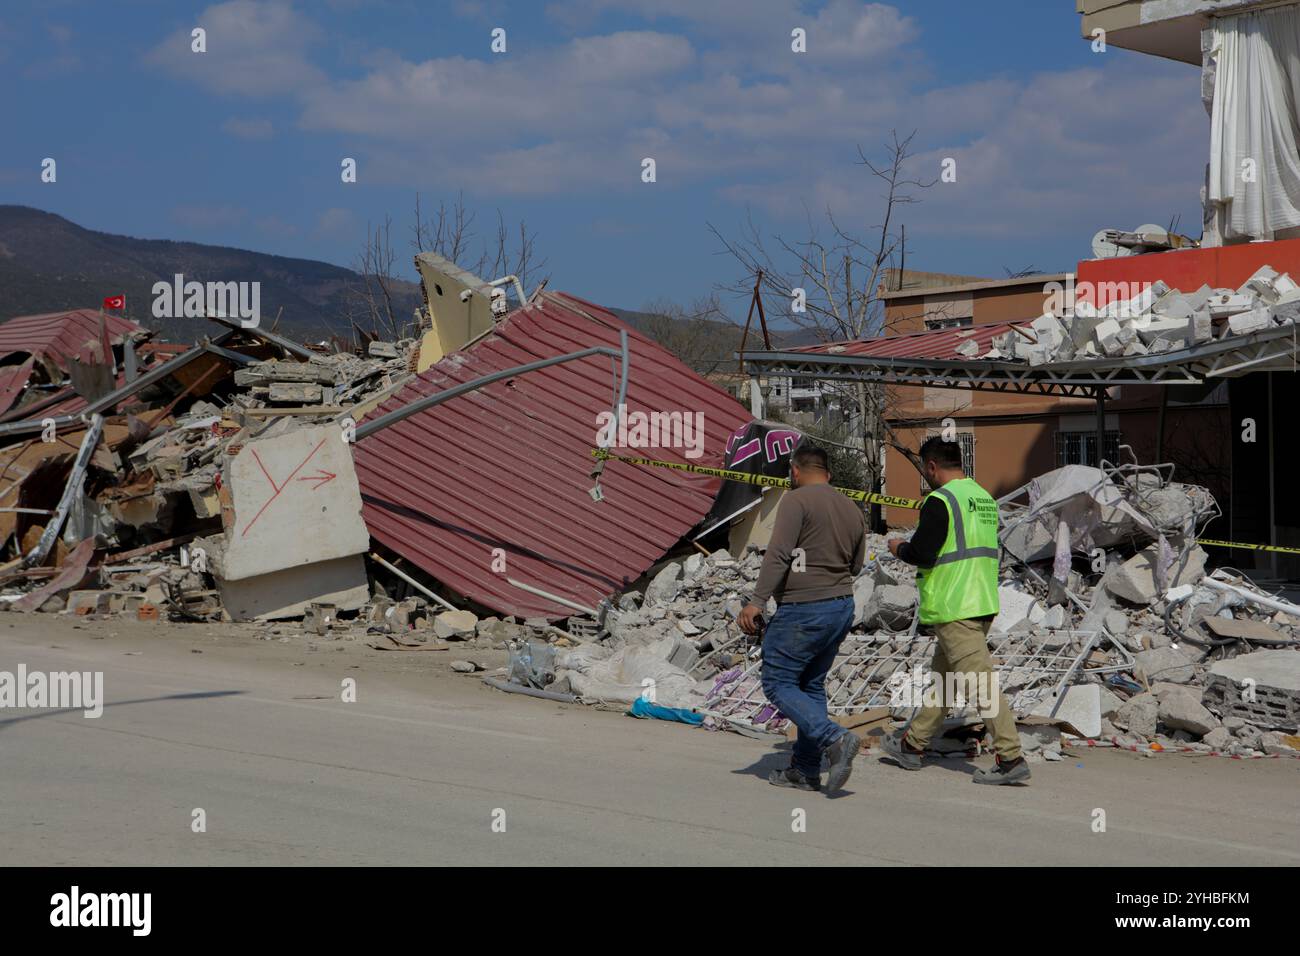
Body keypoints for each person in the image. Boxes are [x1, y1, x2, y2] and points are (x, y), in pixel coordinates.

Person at [881, 436, 1029, 785]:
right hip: (981, 602)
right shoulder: (982, 497)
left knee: (980, 685)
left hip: (954, 606)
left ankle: (1010, 757)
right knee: (945, 683)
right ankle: (912, 745)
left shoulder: (940, 501)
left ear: (932, 466)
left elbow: (924, 553)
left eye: (924, 469)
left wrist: (899, 547)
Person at [738, 445, 867, 794]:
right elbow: (856, 565)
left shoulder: (795, 501)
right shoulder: (851, 507)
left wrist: (757, 602)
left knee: (777, 682)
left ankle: (835, 738)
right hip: (841, 606)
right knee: (810, 686)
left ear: (795, 471)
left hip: (804, 607)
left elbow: (779, 554)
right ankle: (807, 769)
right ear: (827, 472)